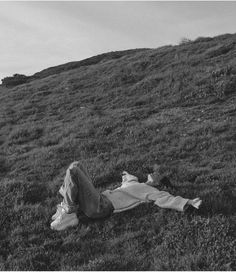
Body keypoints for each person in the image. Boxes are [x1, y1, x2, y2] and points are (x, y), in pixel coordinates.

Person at [50, 161, 202, 231]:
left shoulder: (150, 191)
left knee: (73, 172)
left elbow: (166, 199)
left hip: (102, 207)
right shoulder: (134, 181)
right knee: (76, 165)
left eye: (158, 176)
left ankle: (69, 212)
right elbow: (126, 176)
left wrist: (187, 202)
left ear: (158, 183)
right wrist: (127, 175)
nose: (154, 173)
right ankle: (69, 205)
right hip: (99, 198)